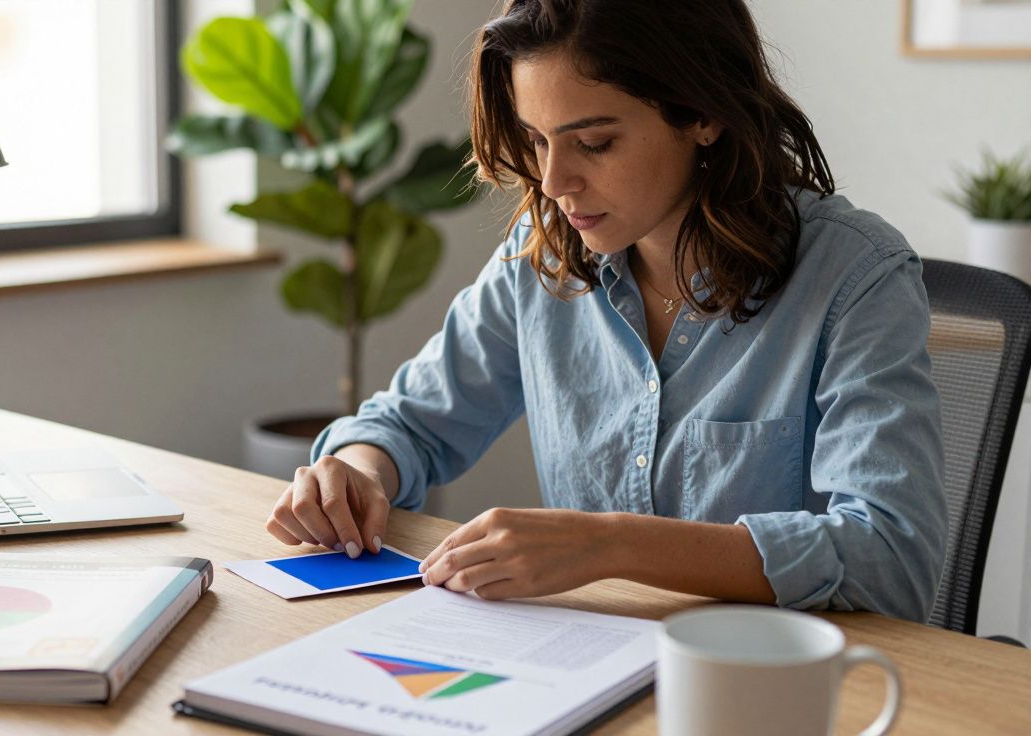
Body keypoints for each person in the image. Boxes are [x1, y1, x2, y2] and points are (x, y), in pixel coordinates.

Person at [264, 0, 947, 622]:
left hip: (779, 691)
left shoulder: (857, 277)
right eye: (535, 140)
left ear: (703, 114)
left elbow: (889, 558)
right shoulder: (540, 260)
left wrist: (610, 544)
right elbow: (409, 424)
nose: (555, 183)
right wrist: (355, 470)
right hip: (594, 671)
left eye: (594, 143)